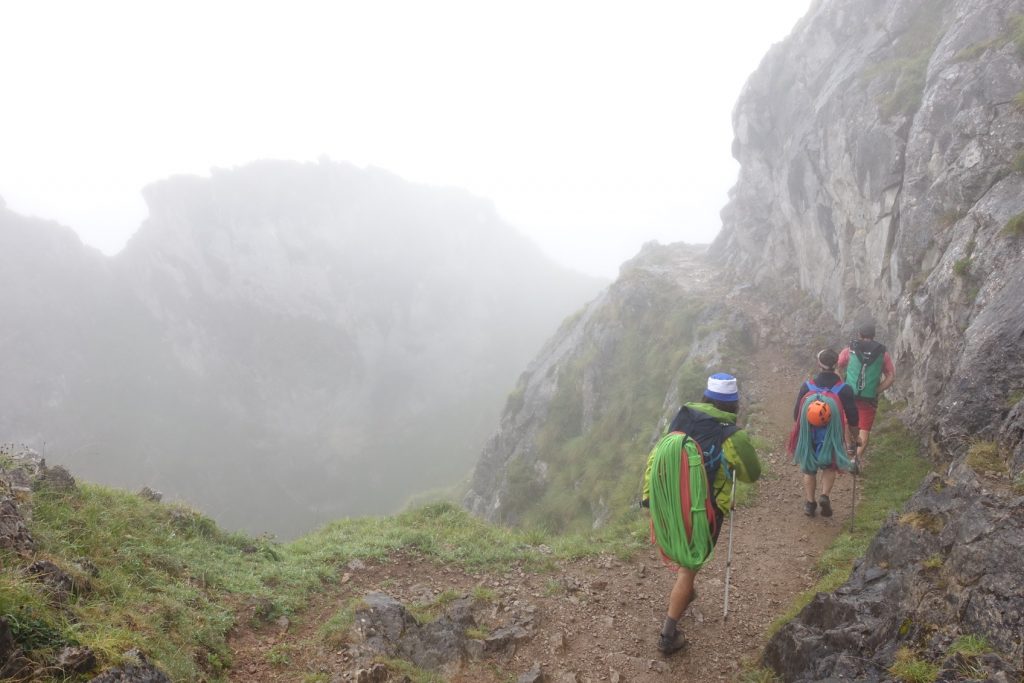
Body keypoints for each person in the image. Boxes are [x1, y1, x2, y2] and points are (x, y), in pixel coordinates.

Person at [640, 372, 761, 655]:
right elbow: (751, 473)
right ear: (734, 405)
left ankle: (686, 595)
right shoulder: (731, 435)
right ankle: (668, 636)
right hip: (701, 512)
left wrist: (649, 496)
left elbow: (659, 454)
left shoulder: (681, 418)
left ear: (706, 397)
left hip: (667, 501)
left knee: (686, 567)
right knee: (689, 569)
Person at [790, 349, 859, 517]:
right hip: (831, 435)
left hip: (809, 433)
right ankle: (825, 496)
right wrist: (855, 438)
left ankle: (810, 503)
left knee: (809, 469)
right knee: (830, 465)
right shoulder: (844, 389)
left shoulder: (807, 386)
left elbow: (796, 414)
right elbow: (853, 418)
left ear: (819, 364)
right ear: (836, 364)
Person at [837, 321, 895, 463]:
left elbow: (837, 365)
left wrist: (842, 384)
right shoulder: (883, 354)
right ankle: (855, 459)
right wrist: (877, 389)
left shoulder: (849, 350)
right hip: (869, 397)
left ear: (859, 334)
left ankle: (849, 445)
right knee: (864, 429)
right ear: (874, 335)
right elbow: (891, 376)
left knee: (845, 419)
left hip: (849, 393)